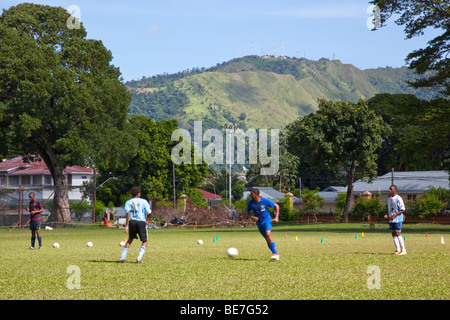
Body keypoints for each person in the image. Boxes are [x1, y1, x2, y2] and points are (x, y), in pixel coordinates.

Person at [119, 187, 152, 263]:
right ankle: (139, 258)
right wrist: (147, 218)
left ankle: (122, 257)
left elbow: (128, 213)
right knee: (144, 240)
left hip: (132, 222)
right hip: (141, 221)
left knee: (130, 239)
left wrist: (126, 225)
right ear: (139, 194)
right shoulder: (144, 201)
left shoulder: (128, 202)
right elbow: (149, 212)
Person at [247, 188, 280, 260]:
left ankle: (275, 253)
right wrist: (252, 217)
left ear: (255, 194)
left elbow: (276, 206)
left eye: (251, 194)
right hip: (259, 223)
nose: (250, 195)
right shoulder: (250, 203)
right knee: (267, 238)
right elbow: (248, 212)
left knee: (268, 234)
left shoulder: (265, 200)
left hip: (267, 220)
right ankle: (274, 253)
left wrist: (276, 217)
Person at [384, 185, 407, 255]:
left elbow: (403, 210)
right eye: (389, 189)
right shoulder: (389, 199)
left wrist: (394, 215)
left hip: (398, 219)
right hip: (391, 220)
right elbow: (389, 209)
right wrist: (387, 214)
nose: (389, 190)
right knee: (393, 234)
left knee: (398, 233)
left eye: (391, 189)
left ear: (395, 190)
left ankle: (403, 250)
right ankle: (397, 250)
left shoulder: (398, 198)